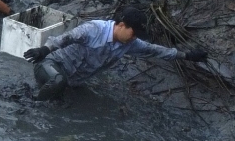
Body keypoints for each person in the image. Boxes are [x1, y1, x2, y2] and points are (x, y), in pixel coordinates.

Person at [23, 8, 209, 101]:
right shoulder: (94, 29)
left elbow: (155, 50)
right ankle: (34, 104)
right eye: (133, 32)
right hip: (51, 66)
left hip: (74, 80)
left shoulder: (129, 44)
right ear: (121, 25)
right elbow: (64, 38)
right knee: (57, 82)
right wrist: (43, 50)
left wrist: (187, 56)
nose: (134, 37)